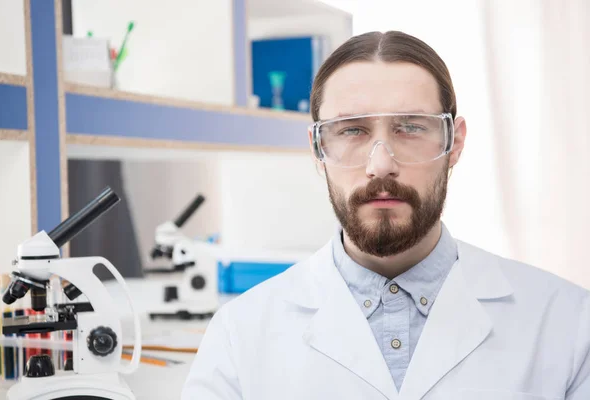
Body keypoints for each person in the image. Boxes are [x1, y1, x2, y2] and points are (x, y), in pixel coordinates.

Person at [182, 31, 590, 400]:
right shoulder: (239, 336)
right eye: (352, 130)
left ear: (455, 143)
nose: (380, 166)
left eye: (410, 128)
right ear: (317, 149)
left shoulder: (568, 324)